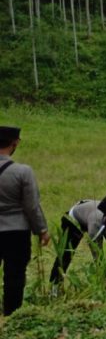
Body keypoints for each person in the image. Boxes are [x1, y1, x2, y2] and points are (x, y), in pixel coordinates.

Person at [0, 126, 50, 315]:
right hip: (16, 231)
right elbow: (31, 206)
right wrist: (42, 230)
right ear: (15, 143)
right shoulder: (22, 171)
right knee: (14, 275)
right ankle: (11, 315)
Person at [49, 199, 106, 290]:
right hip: (73, 220)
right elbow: (97, 255)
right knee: (65, 255)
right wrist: (104, 275)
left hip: (89, 213)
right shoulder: (95, 223)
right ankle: (54, 289)